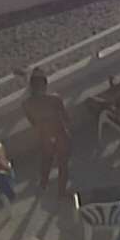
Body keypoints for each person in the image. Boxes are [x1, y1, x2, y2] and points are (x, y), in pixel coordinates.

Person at [22, 68, 72, 199]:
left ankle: (43, 183)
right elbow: (66, 117)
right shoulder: (54, 99)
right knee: (63, 164)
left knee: (46, 159)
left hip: (45, 135)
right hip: (59, 133)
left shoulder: (27, 104)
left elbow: (32, 122)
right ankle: (62, 192)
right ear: (45, 84)